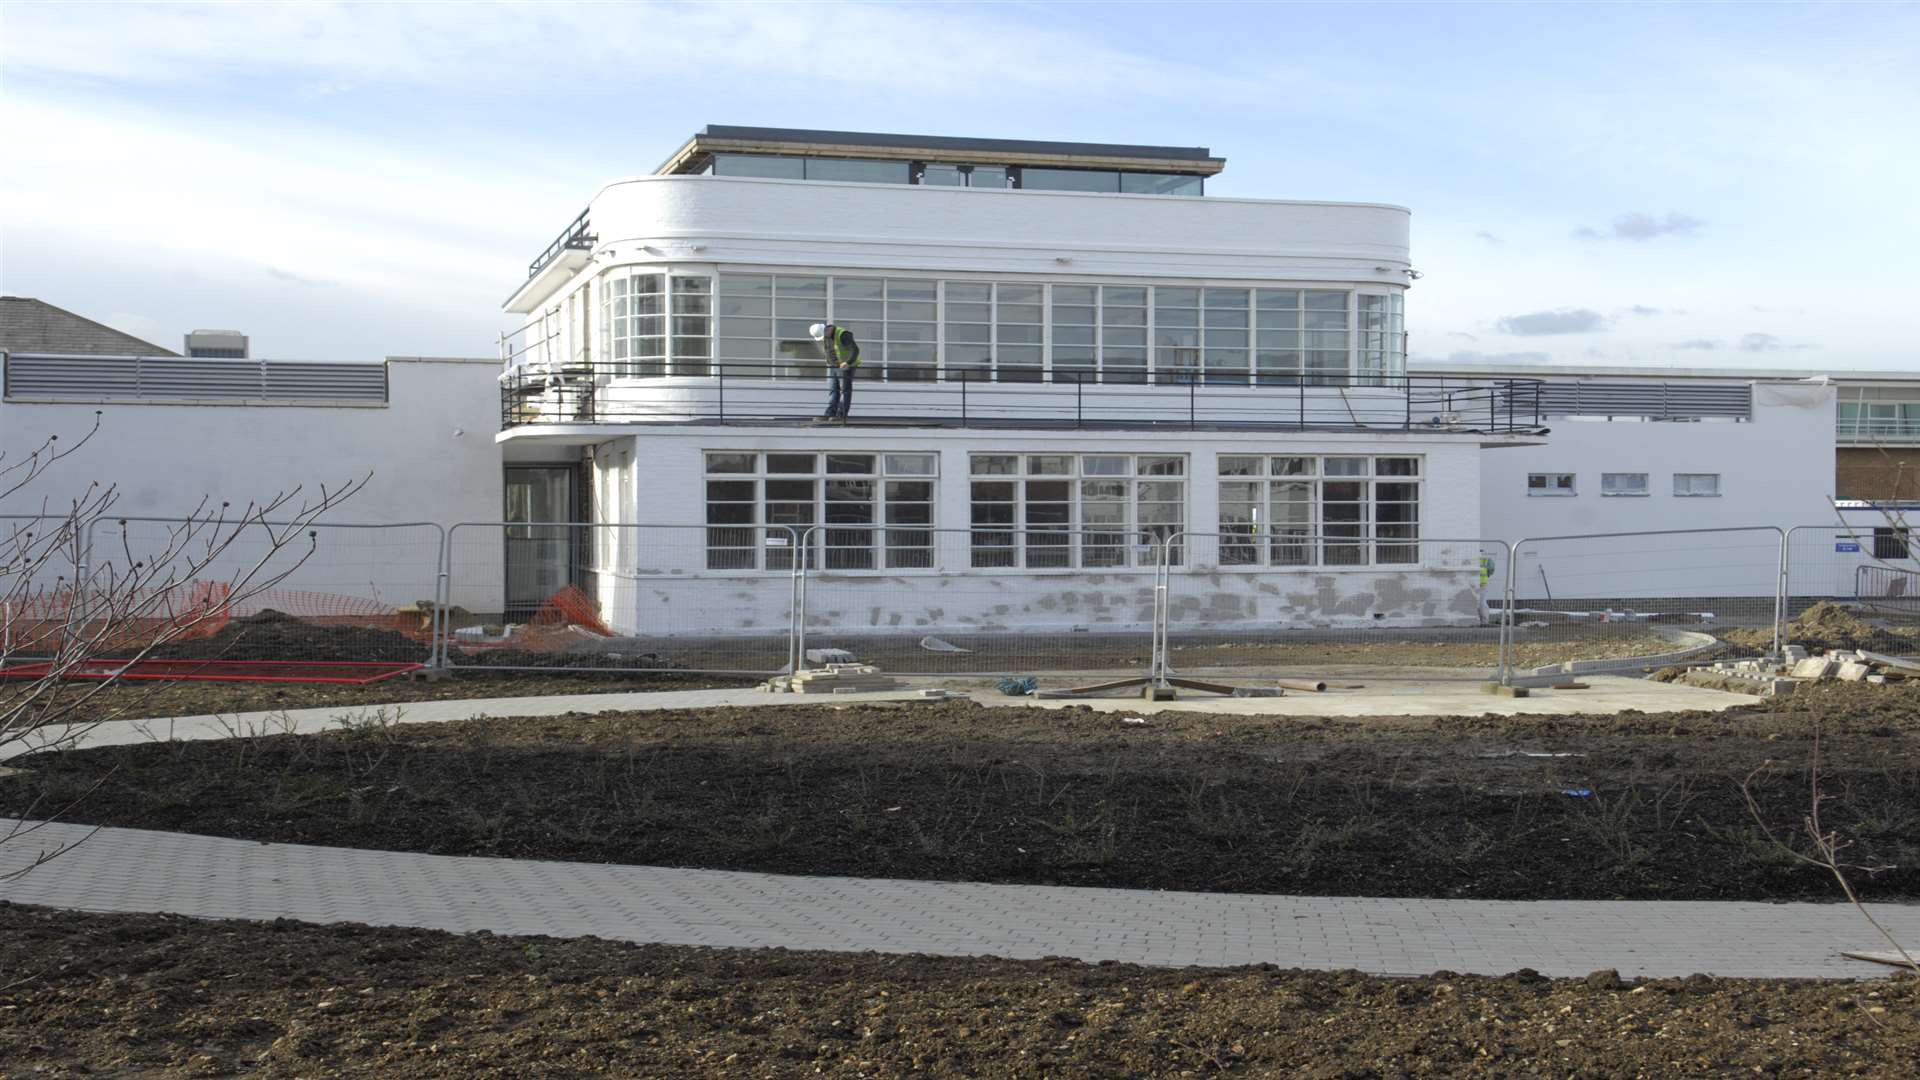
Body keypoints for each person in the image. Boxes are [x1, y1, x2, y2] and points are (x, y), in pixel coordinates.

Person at [808, 322, 860, 421]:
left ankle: (841, 416)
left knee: (845, 391)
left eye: (824, 336)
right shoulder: (826, 336)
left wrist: (847, 362)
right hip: (834, 366)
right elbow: (830, 351)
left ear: (827, 329)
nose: (824, 338)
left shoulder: (843, 334)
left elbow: (855, 350)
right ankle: (830, 414)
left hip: (846, 366)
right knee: (833, 390)